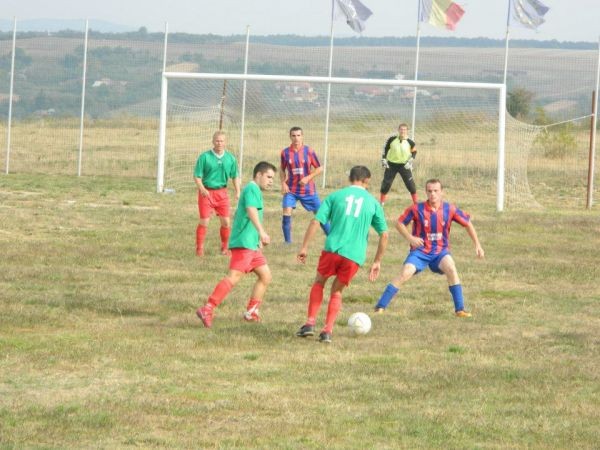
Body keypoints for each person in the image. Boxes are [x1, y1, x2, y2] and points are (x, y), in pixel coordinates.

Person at [295, 165, 389, 343]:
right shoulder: (373, 203)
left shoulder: (335, 196)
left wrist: (304, 247)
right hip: (354, 255)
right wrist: (377, 261)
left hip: (332, 249)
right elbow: (384, 235)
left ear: (350, 178)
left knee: (319, 282)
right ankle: (327, 331)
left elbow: (316, 222)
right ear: (367, 181)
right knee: (337, 291)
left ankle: (309, 323)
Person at [374, 178, 484, 317]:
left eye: (436, 191)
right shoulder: (416, 209)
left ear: (442, 192)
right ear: (426, 192)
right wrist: (410, 238)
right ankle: (380, 306)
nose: (433, 194)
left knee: (451, 267)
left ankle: (460, 310)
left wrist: (477, 244)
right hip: (420, 252)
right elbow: (399, 223)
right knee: (405, 272)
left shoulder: (449, 209)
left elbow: (467, 223)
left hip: (440, 252)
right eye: (430, 191)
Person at [196, 161, 277, 328]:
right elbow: (251, 210)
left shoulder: (254, 190)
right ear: (259, 175)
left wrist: (257, 239)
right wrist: (262, 232)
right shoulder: (252, 188)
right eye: (269, 177)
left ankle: (251, 312)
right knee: (234, 276)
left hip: (251, 244)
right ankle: (208, 308)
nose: (271, 181)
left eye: (273, 178)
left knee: (265, 276)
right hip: (243, 243)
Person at [193, 130, 241, 256]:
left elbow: (235, 176)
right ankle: (199, 249)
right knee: (205, 221)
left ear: (225, 142)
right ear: (213, 141)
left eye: (222, 141)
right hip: (206, 193)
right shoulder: (204, 157)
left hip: (222, 193)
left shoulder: (230, 158)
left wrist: (238, 191)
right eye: (217, 141)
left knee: (226, 222)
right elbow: (197, 176)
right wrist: (202, 189)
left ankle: (225, 248)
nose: (219, 143)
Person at [280, 126, 330, 244]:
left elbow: (320, 168)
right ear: (290, 137)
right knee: (286, 211)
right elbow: (282, 170)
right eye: (293, 136)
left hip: (308, 189)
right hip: (291, 189)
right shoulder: (285, 153)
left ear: (302, 136)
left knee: (320, 214)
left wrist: (308, 178)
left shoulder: (309, 151)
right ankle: (287, 242)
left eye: (298, 135)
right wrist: (283, 183)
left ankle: (332, 236)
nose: (296, 138)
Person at [379, 123, 418, 205]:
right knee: (386, 184)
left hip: (404, 166)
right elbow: (385, 148)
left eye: (404, 130)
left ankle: (416, 204)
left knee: (411, 185)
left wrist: (410, 161)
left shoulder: (410, 142)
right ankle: (381, 203)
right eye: (401, 129)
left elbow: (414, 152)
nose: (402, 131)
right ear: (398, 130)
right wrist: (384, 159)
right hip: (391, 165)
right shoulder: (392, 139)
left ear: (407, 131)